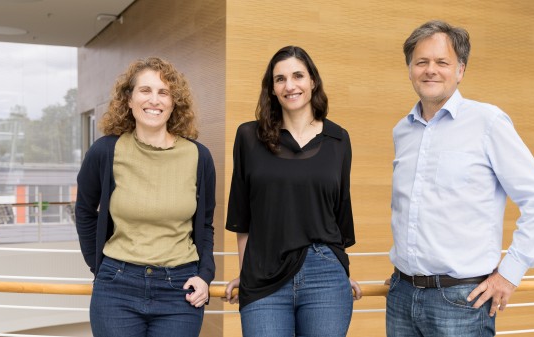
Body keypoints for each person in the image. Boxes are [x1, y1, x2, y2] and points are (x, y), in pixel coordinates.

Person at [386, 20, 534, 337]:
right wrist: (409, 271)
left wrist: (509, 273)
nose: (430, 70)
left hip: (461, 301)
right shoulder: (402, 131)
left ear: (460, 70)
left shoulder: (488, 122)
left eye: (442, 62)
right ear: (409, 69)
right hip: (402, 295)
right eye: (421, 62)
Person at [222, 45, 362, 337]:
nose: (290, 85)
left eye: (298, 75)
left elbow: (340, 210)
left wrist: (340, 271)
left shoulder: (338, 139)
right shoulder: (249, 137)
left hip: (325, 275)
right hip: (263, 276)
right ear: (271, 89)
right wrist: (246, 273)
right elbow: (241, 216)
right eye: (280, 79)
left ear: (313, 81)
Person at [75, 57, 216, 337]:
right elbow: (84, 211)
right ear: (128, 99)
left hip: (180, 290)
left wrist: (205, 275)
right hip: (116, 288)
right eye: (145, 90)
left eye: (164, 92)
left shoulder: (199, 157)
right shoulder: (106, 151)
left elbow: (205, 225)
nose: (155, 100)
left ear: (175, 102)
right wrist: (98, 266)